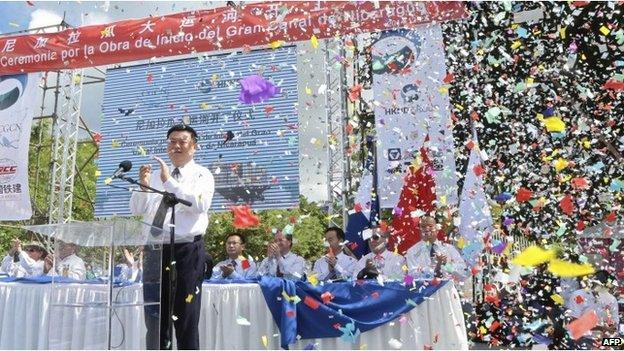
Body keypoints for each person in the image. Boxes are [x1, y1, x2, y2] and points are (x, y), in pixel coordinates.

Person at [130, 124, 214, 350]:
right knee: (156, 316)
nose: (176, 146)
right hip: (155, 250)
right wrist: (144, 187)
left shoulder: (202, 174)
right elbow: (137, 210)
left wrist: (169, 182)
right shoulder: (155, 175)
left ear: (193, 147)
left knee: (185, 316)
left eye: (182, 141)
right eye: (171, 141)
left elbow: (199, 204)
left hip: (186, 250)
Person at [405, 215, 468, 281]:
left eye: (430, 226)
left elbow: (463, 270)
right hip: (426, 291)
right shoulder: (412, 251)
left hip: (447, 289)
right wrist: (436, 268)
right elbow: (412, 276)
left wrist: (446, 265)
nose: (427, 229)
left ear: (437, 228)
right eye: (423, 226)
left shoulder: (449, 248)